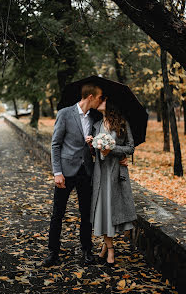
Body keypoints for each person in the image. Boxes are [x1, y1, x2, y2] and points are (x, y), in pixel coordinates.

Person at [44, 83, 103, 267]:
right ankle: (53, 252)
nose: (101, 100)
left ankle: (87, 250)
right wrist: (57, 172)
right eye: (99, 97)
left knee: (86, 214)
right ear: (91, 96)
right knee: (57, 214)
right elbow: (55, 145)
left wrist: (93, 144)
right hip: (66, 172)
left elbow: (96, 145)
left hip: (86, 171)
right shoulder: (65, 113)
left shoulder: (96, 117)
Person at [86, 98, 137, 267]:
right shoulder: (97, 124)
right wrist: (91, 145)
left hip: (115, 174)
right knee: (102, 212)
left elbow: (130, 148)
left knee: (110, 212)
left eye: (104, 100)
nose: (100, 101)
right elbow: (94, 153)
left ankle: (109, 249)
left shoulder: (122, 123)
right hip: (101, 174)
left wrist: (112, 149)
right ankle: (108, 248)